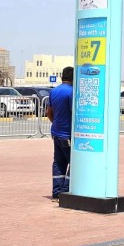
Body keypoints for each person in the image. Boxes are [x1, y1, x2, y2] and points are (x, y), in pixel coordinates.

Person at [46, 66, 73, 199]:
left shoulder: (54, 91)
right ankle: (65, 190)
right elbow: (74, 113)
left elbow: (49, 113)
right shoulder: (72, 92)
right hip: (67, 134)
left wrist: (56, 123)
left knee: (58, 162)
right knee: (75, 162)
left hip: (56, 133)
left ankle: (57, 192)